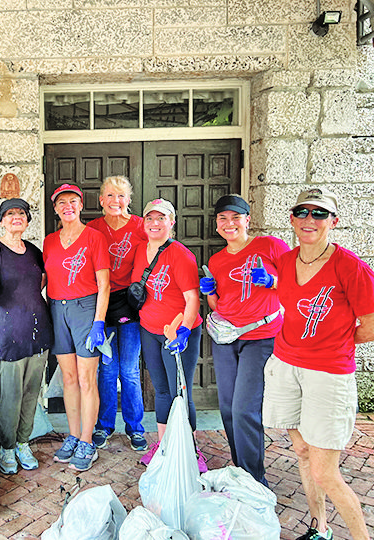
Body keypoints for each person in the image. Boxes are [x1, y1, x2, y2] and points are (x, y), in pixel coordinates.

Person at [262, 188, 374, 540]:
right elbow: (288, 299)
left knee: (327, 472)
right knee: (302, 450)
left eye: (320, 213)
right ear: (293, 219)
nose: (310, 219)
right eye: (303, 212)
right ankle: (319, 526)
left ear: (334, 221)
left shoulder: (351, 268)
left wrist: (338, 341)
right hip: (285, 363)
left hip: (328, 375)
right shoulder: (285, 260)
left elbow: (371, 323)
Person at [200, 194, 289, 485]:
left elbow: (297, 283)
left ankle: (255, 481)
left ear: (247, 220)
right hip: (226, 336)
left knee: (244, 408)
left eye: (235, 217)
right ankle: (242, 470)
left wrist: (273, 281)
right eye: (223, 219)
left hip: (260, 337)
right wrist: (210, 292)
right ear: (216, 225)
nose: (229, 224)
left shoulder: (271, 246)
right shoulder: (217, 260)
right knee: (226, 407)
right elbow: (218, 305)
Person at [0, 198, 53, 474]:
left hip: (37, 333)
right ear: (1, 221)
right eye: (10, 214)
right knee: (10, 397)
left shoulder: (33, 251)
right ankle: (7, 447)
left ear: (28, 220)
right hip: (7, 337)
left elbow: (40, 283)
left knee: (32, 393)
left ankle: (23, 442)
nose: (16, 217)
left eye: (21, 213)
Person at [133, 198, 206, 472]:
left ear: (171, 223)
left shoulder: (181, 255)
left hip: (178, 332)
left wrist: (185, 330)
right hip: (150, 330)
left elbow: (192, 299)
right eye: (150, 218)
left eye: (161, 218)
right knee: (162, 390)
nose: (154, 223)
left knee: (181, 392)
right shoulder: (141, 250)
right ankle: (164, 447)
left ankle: (191, 449)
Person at [43, 184, 110, 472]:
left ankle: (87, 440)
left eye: (73, 201)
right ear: (55, 208)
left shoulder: (95, 238)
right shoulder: (49, 241)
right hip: (57, 308)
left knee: (86, 379)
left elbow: (104, 284)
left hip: (86, 308)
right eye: (62, 202)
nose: (67, 206)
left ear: (81, 205)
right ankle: (72, 434)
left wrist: (98, 322)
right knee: (68, 378)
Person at [86, 177, 148, 452]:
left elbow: (158, 253)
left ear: (129, 199)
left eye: (121, 196)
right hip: (103, 303)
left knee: (131, 371)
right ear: (101, 200)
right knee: (108, 371)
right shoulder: (93, 228)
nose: (115, 201)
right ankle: (105, 425)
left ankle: (135, 428)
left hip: (131, 302)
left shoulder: (140, 226)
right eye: (110, 195)